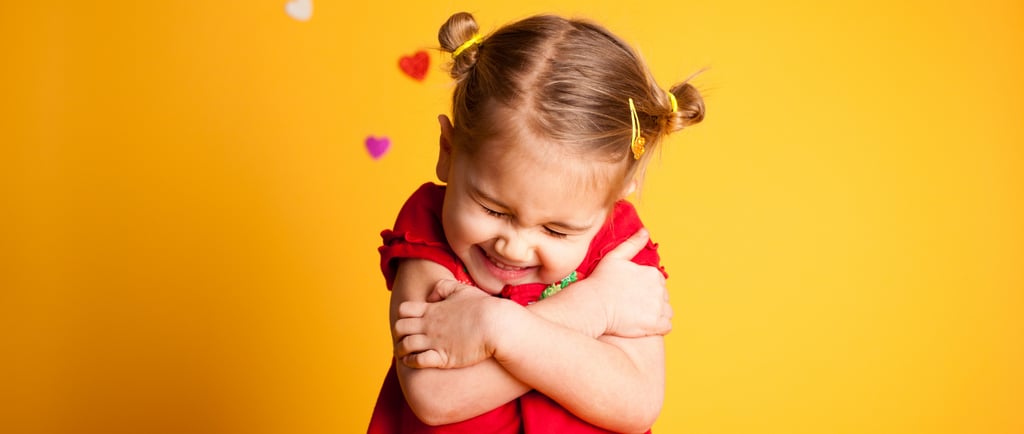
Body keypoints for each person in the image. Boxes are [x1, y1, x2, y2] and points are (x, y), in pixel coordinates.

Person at [367, 11, 705, 434]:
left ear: (614, 203)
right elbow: (434, 397)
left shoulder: (619, 249)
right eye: (493, 210)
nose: (514, 246)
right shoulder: (430, 229)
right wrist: (589, 309)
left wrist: (500, 329)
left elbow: (636, 405)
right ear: (448, 152)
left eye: (557, 231)